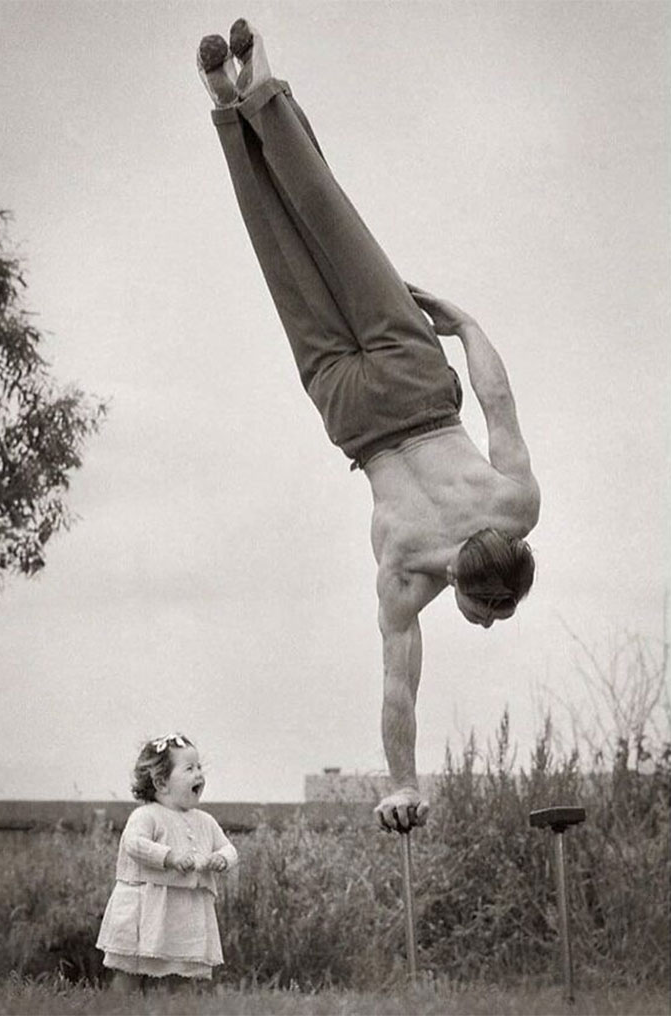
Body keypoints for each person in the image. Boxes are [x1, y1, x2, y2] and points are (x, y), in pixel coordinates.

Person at [197, 22, 541, 833]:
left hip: (416, 381)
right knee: (281, 253)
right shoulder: (405, 579)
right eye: (492, 615)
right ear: (462, 584)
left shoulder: (517, 506)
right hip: (353, 411)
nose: (487, 626)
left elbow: (496, 399)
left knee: (328, 221)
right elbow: (399, 687)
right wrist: (402, 782)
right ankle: (224, 105)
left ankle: (259, 85)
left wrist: (465, 322)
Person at [96, 733, 238, 992]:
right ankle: (118, 1006)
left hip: (183, 910)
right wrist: (169, 857)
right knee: (131, 968)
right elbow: (134, 844)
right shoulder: (146, 815)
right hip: (146, 906)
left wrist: (222, 858)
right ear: (161, 783)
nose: (199, 774)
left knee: (180, 969)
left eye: (199, 767)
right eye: (189, 768)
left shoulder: (204, 821)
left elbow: (229, 848)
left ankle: (172, 1006)